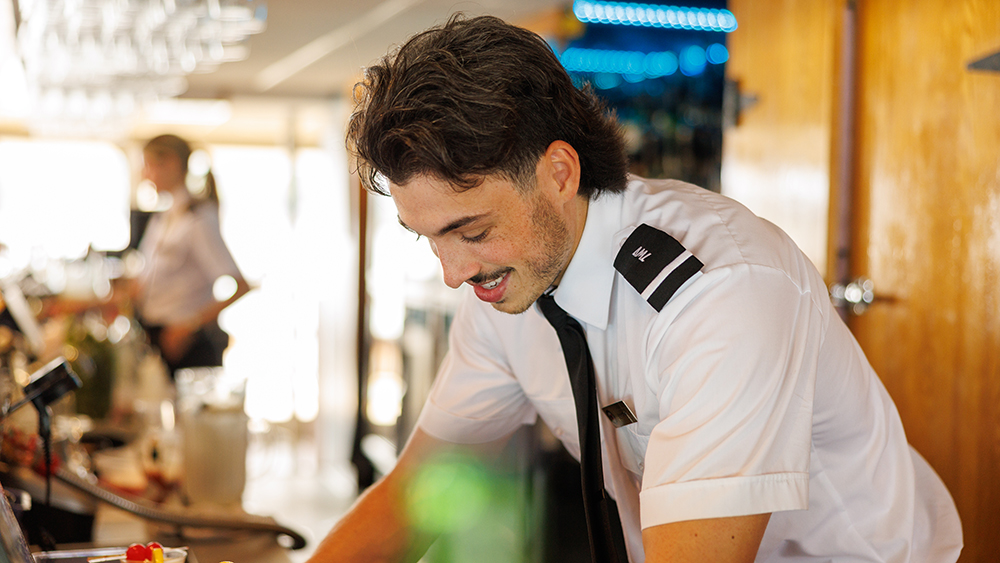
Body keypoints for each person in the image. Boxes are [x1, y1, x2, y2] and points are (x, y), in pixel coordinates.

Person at [308, 15, 963, 563]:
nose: (453, 271)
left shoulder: (721, 295)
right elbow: (417, 494)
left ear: (559, 172)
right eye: (429, 238)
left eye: (472, 231)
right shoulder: (505, 285)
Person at [130, 134, 250, 378]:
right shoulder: (163, 218)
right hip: (155, 335)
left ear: (172, 163)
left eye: (148, 165)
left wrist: (188, 326)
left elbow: (240, 285)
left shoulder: (198, 218)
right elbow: (142, 285)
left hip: (187, 343)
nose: (144, 175)